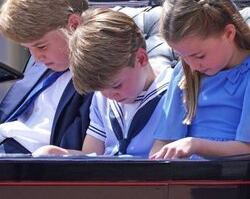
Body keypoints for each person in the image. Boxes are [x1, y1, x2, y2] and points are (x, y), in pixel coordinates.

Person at [33, 8, 173, 157]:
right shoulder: (102, 98)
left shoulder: (174, 93)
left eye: (116, 85)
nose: (109, 95)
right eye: (101, 89)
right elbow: (92, 155)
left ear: (141, 59)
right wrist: (61, 154)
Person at [150, 0, 250, 160]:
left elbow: (246, 150)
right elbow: (163, 142)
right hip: (185, 181)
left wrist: (195, 144)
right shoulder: (184, 72)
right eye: (183, 56)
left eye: (199, 56)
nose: (193, 66)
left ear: (229, 33)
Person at [0, 0, 93, 154]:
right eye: (27, 49)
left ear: (73, 25)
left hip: (29, 164)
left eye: (41, 46)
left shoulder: (98, 75)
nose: (35, 57)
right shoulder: (45, 59)